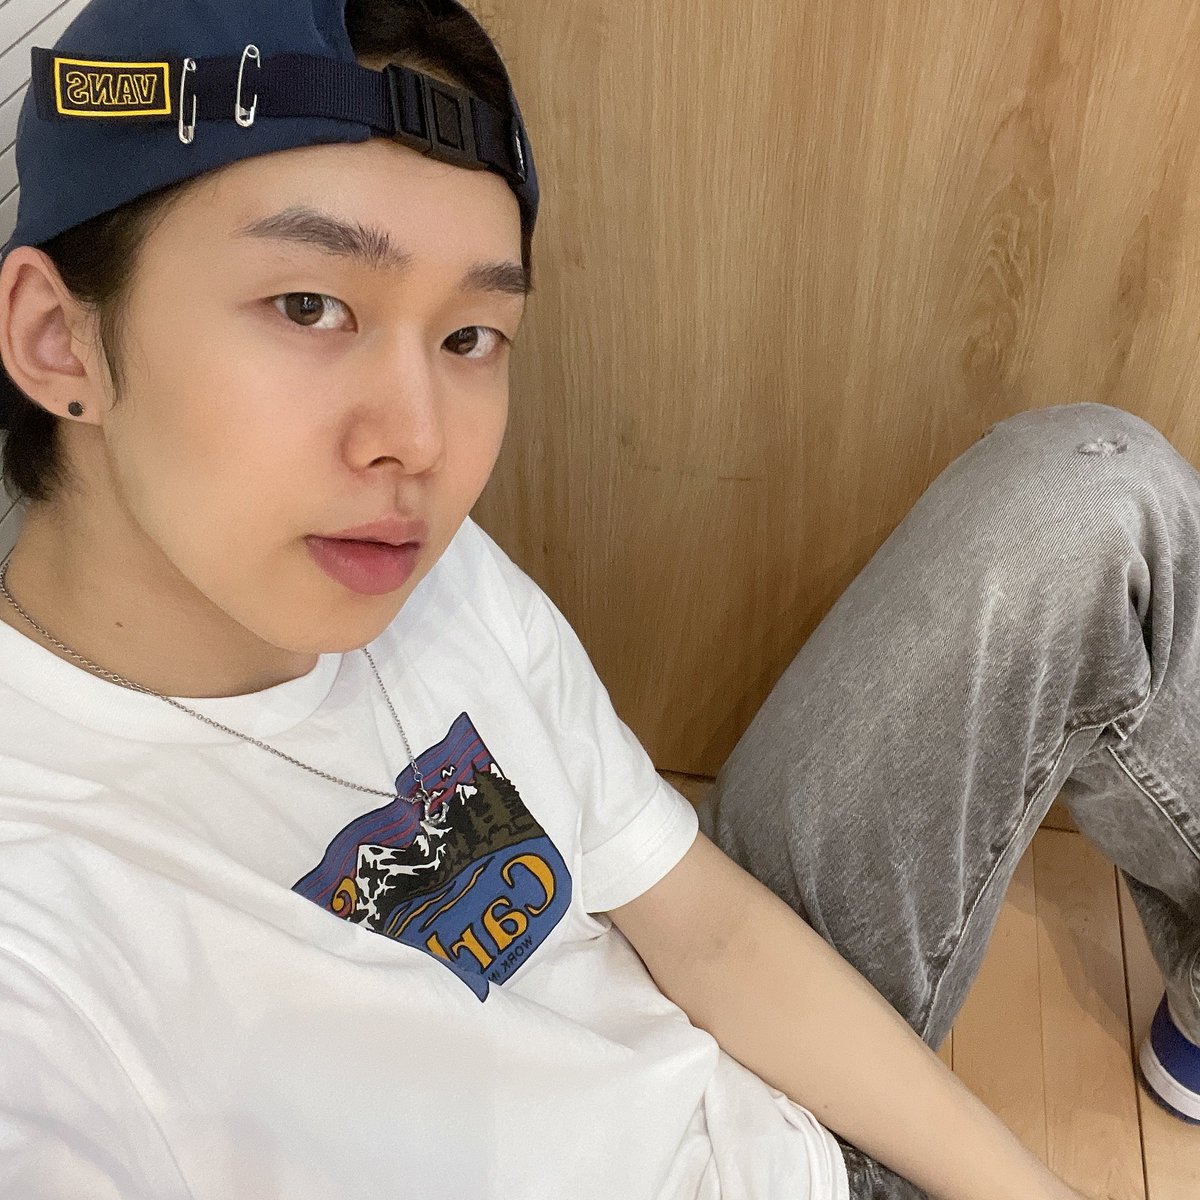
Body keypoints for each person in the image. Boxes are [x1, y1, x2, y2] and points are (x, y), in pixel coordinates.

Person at [0, 1, 1195, 1197]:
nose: (420, 442)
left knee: (1089, 494)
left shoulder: (419, 567)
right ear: (59, 339)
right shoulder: (45, 940)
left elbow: (705, 929)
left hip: (754, 1080)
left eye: (471, 336)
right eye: (311, 307)